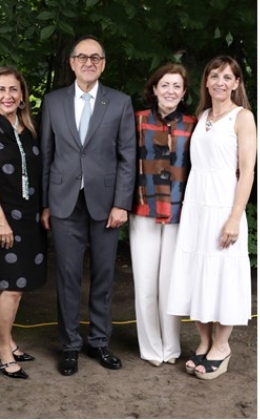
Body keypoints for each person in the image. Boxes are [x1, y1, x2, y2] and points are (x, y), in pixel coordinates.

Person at [40, 35, 136, 376]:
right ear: (71, 62)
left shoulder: (120, 102)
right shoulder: (52, 102)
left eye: (95, 57)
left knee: (104, 276)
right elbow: (47, 156)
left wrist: (122, 203)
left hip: (106, 204)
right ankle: (70, 346)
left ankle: (98, 341)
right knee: (66, 277)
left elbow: (128, 157)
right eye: (82, 57)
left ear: (104, 63)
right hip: (64, 203)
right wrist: (45, 204)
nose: (89, 62)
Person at [167, 56, 256, 380]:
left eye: (227, 77)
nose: (220, 81)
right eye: (214, 76)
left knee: (222, 274)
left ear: (236, 83)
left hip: (223, 205)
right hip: (196, 204)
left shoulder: (243, 117)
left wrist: (234, 218)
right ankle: (203, 342)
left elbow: (247, 172)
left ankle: (222, 345)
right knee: (196, 272)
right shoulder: (202, 116)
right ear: (206, 81)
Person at [129, 62, 196, 368]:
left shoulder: (193, 124)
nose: (171, 91)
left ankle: (171, 346)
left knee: (171, 283)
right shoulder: (137, 120)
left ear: (183, 93)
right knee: (145, 281)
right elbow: (125, 164)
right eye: (165, 85)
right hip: (144, 208)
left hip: (179, 212)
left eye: (177, 86)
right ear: (154, 89)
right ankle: (151, 348)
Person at [0, 66, 46, 379]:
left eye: (13, 89)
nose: (7, 96)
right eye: (1, 89)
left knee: (20, 285)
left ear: (22, 95)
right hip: (4, 219)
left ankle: (9, 339)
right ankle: (3, 349)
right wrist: (1, 223)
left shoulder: (28, 129)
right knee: (10, 288)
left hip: (29, 219)